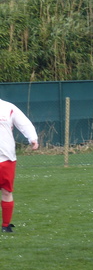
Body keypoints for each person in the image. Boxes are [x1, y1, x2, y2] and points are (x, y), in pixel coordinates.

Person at [0, 98, 39, 232]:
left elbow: (24, 123)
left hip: (6, 158)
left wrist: (32, 138)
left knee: (7, 191)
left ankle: (6, 225)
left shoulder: (7, 107)